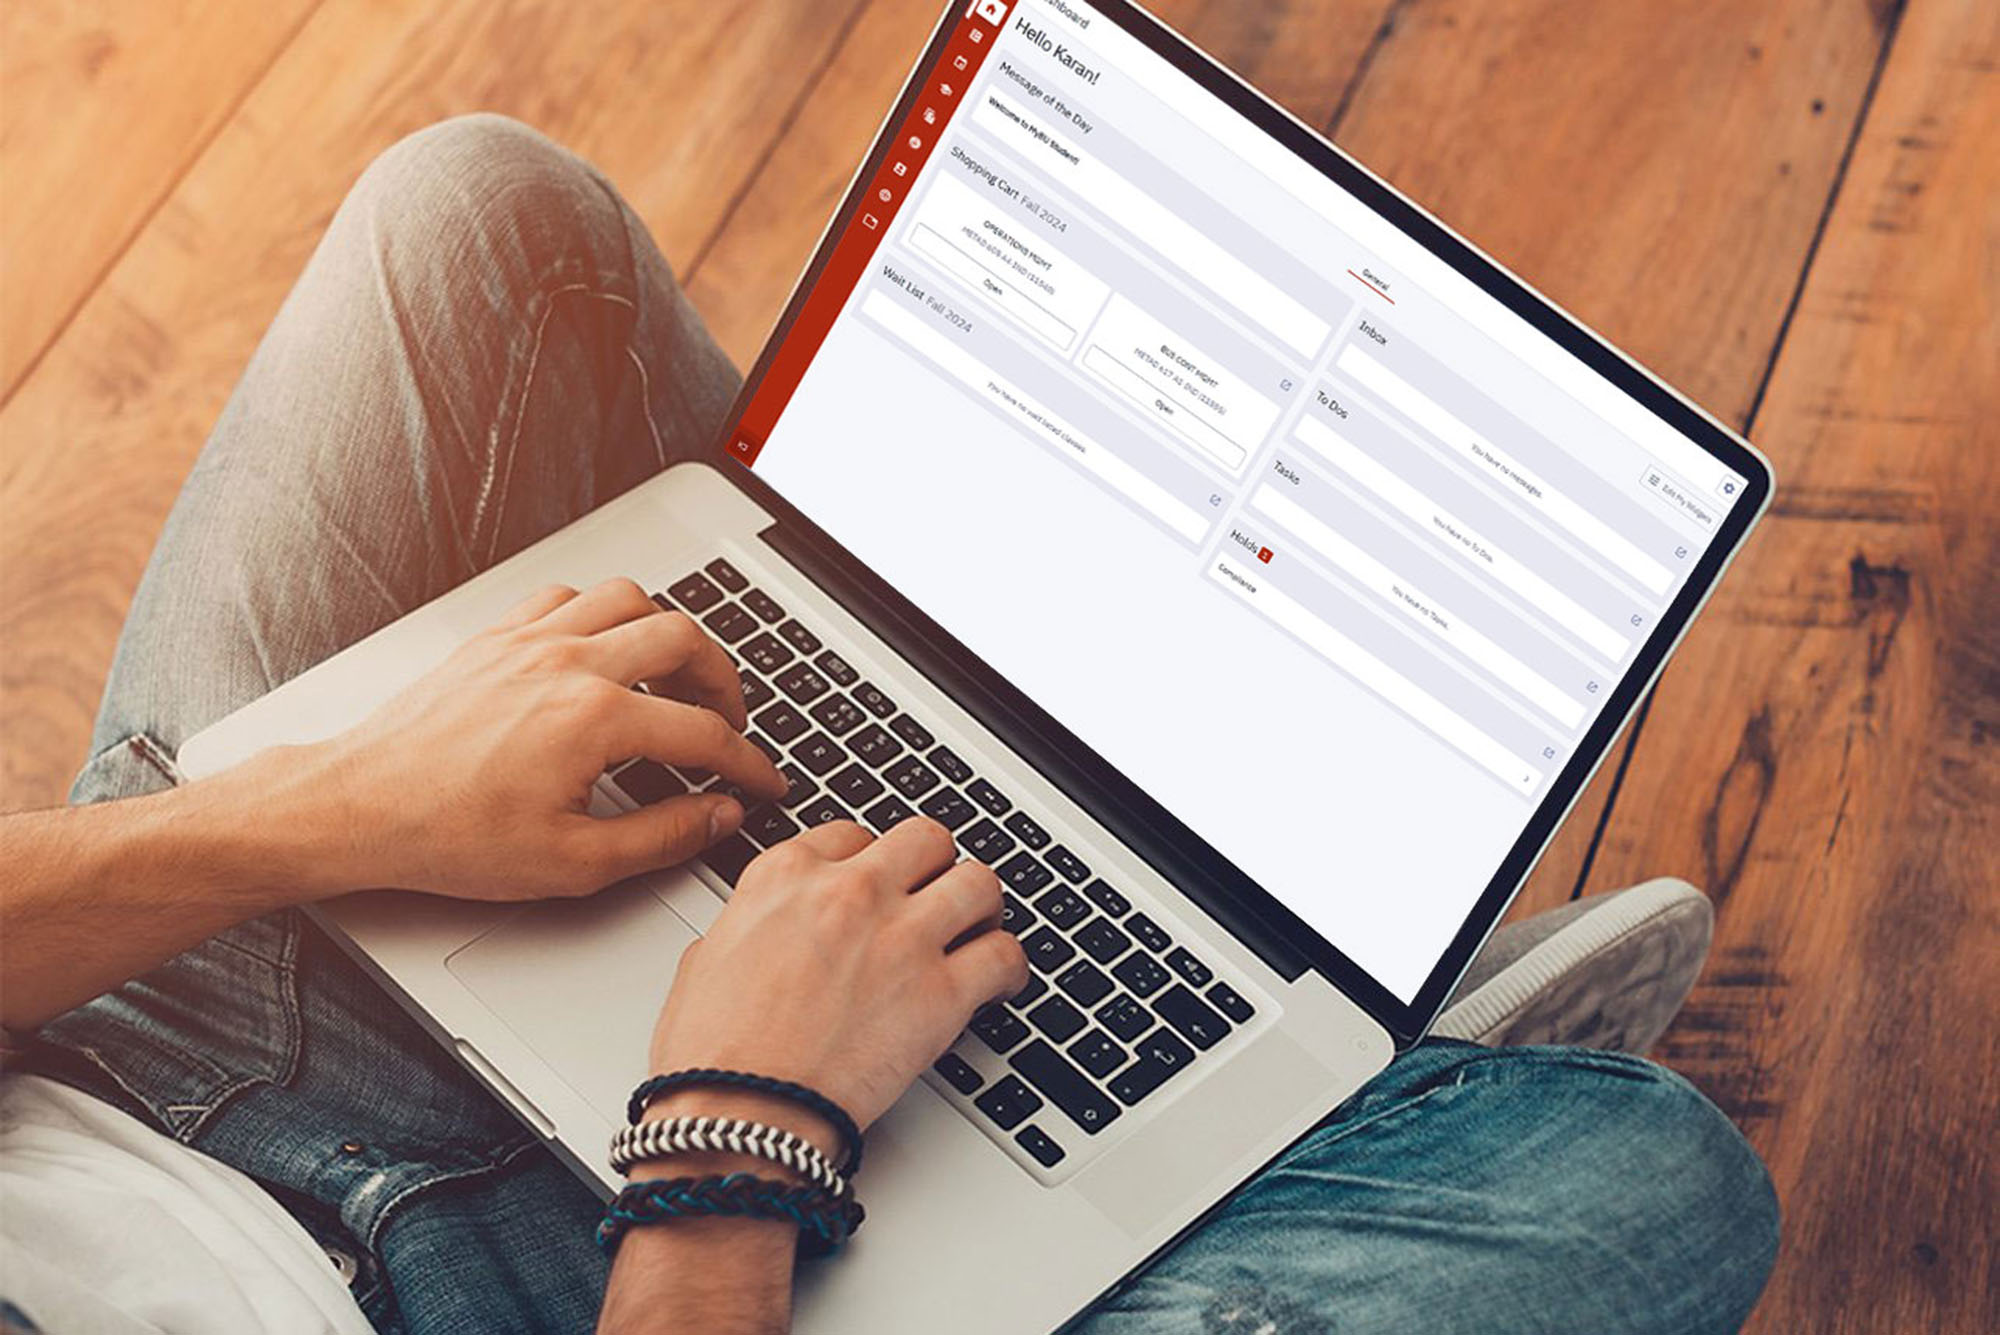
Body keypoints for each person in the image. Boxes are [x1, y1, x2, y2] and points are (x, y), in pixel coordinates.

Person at [0, 116, 1779, 1335]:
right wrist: (729, 1138)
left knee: (481, 230)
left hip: (140, 1027)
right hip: (564, 1289)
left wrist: (325, 810)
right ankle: (1328, 1088)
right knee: (1647, 1178)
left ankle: (1279, 1051)